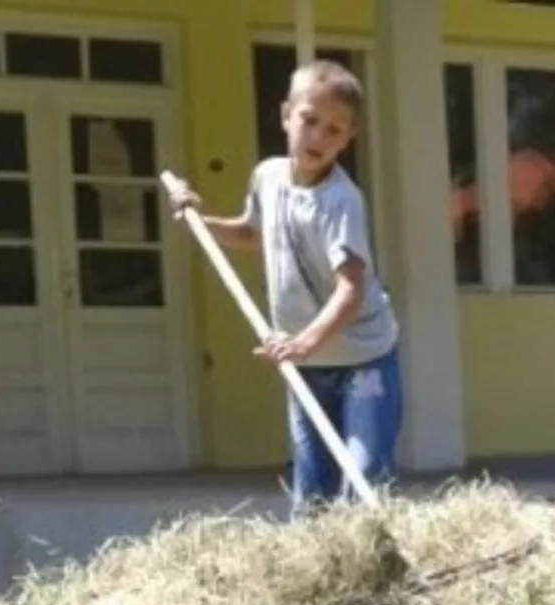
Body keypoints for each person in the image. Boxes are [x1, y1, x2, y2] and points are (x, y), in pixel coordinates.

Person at [164, 60, 402, 514]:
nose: (318, 137)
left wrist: (302, 343)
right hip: (306, 363)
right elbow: (254, 234)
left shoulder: (340, 201)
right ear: (285, 116)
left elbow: (350, 291)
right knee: (312, 487)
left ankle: (374, 572)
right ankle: (318, 579)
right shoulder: (268, 177)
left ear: (348, 139)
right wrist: (199, 218)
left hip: (363, 360)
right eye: (309, 121)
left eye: (334, 130)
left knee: (364, 480)